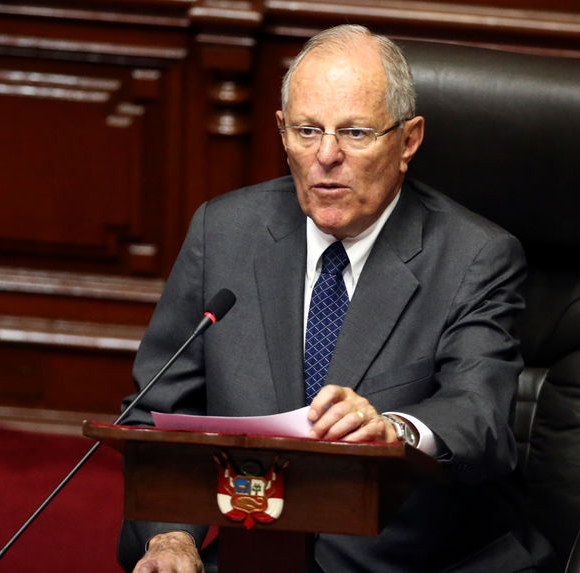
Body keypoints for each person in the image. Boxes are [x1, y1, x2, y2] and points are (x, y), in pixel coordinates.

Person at [118, 24, 554, 573]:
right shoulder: (224, 232)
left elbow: (480, 416)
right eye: (306, 130)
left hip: (417, 561)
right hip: (259, 553)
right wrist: (172, 538)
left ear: (408, 140)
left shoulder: (475, 255)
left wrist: (394, 430)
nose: (326, 156)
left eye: (354, 133)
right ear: (280, 132)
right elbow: (156, 414)